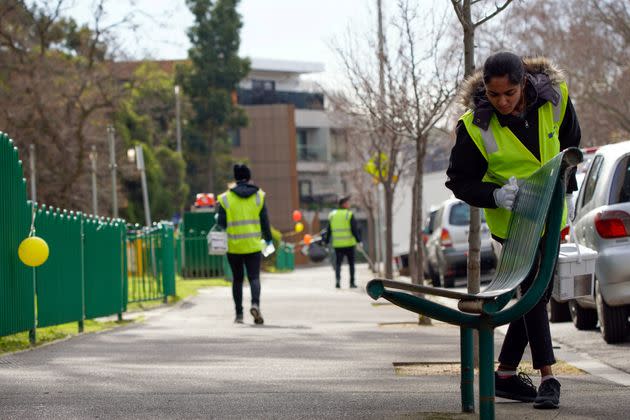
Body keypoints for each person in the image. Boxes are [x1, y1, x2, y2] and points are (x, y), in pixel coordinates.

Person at [445, 52, 581, 410]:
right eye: (494, 95)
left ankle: (504, 374)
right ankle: (549, 377)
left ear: (524, 84)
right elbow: (459, 181)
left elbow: (571, 143)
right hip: (514, 225)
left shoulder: (556, 98)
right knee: (534, 292)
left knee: (537, 293)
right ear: (485, 90)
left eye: (510, 93)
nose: (503, 102)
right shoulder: (475, 127)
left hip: (552, 218)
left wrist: (567, 186)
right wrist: (495, 195)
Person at [217, 164, 273, 325]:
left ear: (235, 178)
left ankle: (239, 314)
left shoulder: (226, 198)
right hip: (253, 245)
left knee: (237, 279)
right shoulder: (259, 196)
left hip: (233, 246)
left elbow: (221, 224)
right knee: (254, 277)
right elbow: (265, 222)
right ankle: (255, 304)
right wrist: (268, 240)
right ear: (249, 177)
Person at [323, 195, 362, 289]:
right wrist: (359, 241)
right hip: (349, 244)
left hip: (338, 245)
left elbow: (329, 230)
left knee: (338, 264)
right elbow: (354, 230)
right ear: (343, 204)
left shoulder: (332, 215)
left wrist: (326, 241)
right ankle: (352, 283)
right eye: (347, 202)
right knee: (351, 264)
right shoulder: (349, 214)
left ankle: (337, 282)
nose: (349, 204)